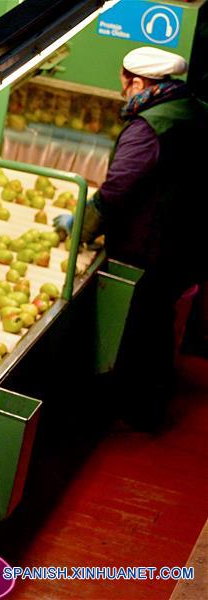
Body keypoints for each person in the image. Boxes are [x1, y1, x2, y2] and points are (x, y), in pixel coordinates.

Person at [53, 47, 208, 429]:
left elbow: (117, 189)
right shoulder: (192, 108)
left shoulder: (148, 127)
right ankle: (148, 401)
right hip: (185, 235)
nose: (123, 91)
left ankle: (139, 410)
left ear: (137, 83)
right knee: (158, 319)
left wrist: (82, 226)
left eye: (124, 84)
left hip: (151, 242)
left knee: (141, 324)